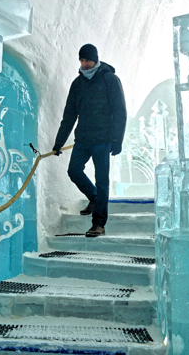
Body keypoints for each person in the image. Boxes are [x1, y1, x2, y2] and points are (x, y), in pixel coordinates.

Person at [52, 43, 126, 238]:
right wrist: (59, 142)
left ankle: (98, 224)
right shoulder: (77, 84)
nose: (84, 64)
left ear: (95, 59)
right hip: (83, 139)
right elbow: (69, 115)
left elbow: (120, 111)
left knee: (102, 181)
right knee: (73, 171)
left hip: (103, 140)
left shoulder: (110, 80)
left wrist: (117, 139)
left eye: (87, 60)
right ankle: (93, 198)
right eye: (81, 60)